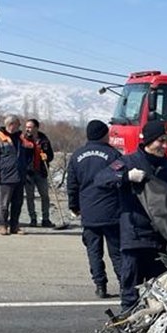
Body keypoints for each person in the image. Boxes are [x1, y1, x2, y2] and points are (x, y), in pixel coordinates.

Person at [100, 120, 167, 309]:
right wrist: (126, 177)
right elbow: (101, 178)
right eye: (160, 141)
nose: (165, 146)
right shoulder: (128, 162)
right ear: (148, 141)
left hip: (160, 239)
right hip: (134, 238)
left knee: (161, 293)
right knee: (130, 294)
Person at [68, 120, 124, 299]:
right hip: (111, 211)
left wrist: (74, 206)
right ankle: (124, 285)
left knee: (93, 251)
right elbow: (120, 180)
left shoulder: (77, 156)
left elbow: (72, 185)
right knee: (116, 252)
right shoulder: (113, 154)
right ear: (103, 134)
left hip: (89, 211)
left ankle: (100, 285)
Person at [0, 115, 28, 235]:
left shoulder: (21, 138)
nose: (19, 126)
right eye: (17, 124)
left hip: (20, 175)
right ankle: (2, 225)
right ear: (11, 124)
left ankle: (14, 226)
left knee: (18, 203)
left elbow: (28, 152)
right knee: (4, 203)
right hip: (6, 175)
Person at [23, 118, 55, 227]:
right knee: (30, 197)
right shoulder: (24, 140)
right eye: (26, 127)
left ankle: (46, 219)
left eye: (30, 127)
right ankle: (33, 218)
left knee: (45, 196)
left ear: (36, 128)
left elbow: (51, 155)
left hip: (41, 172)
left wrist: (46, 157)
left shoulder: (44, 140)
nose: (28, 129)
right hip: (28, 173)